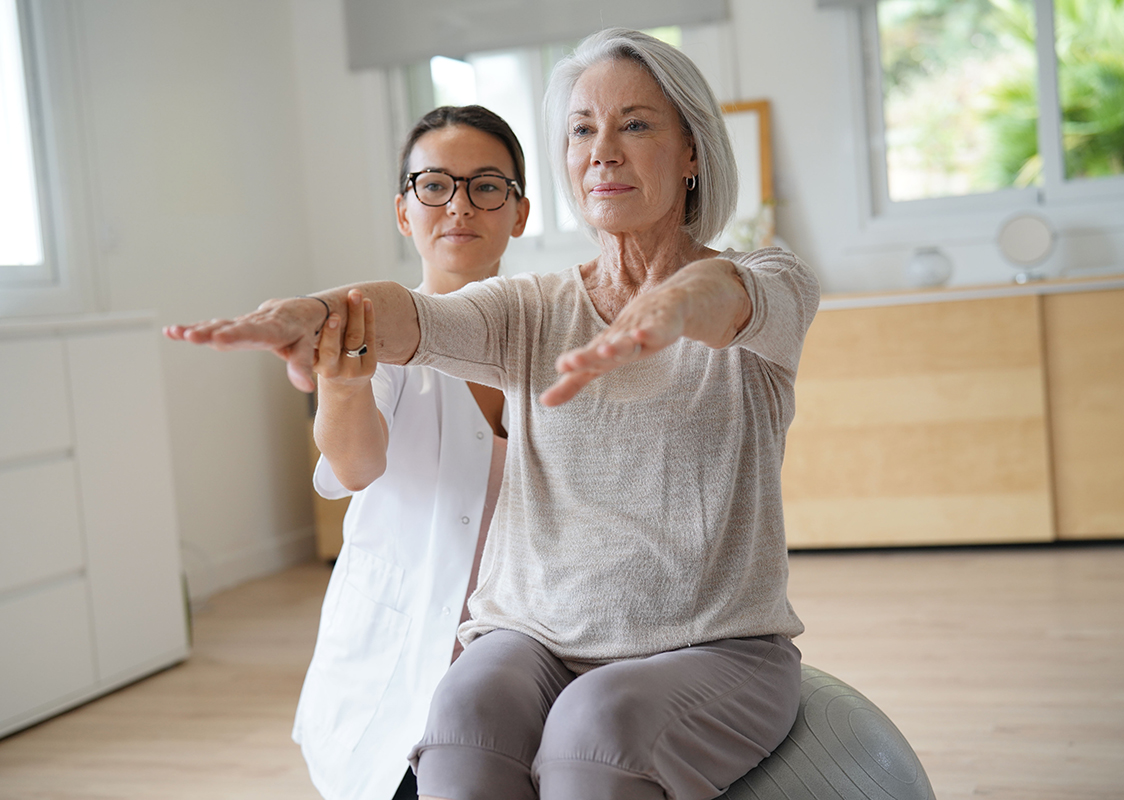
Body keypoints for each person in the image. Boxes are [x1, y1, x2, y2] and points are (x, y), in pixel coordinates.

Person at [167, 28, 819, 800]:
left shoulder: (772, 281)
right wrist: (314, 312)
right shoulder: (533, 306)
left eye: (636, 124)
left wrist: (668, 308)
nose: (603, 149)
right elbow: (410, 315)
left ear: (693, 153)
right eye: (583, 129)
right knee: (463, 713)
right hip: (536, 638)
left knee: (596, 729)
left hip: (716, 647)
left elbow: (727, 301)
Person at [289, 106, 529, 800]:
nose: (458, 206)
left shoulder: (545, 345)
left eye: (487, 186)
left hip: (515, 659)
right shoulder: (378, 341)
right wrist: (342, 381)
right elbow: (356, 468)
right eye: (434, 185)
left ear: (519, 212)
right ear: (404, 211)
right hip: (395, 663)